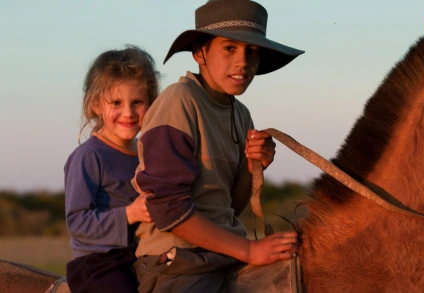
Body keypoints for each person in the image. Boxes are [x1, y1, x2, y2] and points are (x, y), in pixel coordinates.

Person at [132, 0, 305, 292]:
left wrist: (253, 167)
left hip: (223, 253)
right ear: (200, 53)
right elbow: (168, 210)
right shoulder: (180, 100)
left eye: (252, 51)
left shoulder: (241, 114)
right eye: (230, 48)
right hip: (180, 260)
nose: (243, 62)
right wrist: (250, 251)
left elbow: (228, 207)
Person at [64, 45, 160, 293]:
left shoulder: (146, 153)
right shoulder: (88, 156)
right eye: (116, 102)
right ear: (96, 104)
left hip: (139, 255)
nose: (127, 113)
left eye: (137, 102)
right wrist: (130, 214)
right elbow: (77, 223)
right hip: (99, 264)